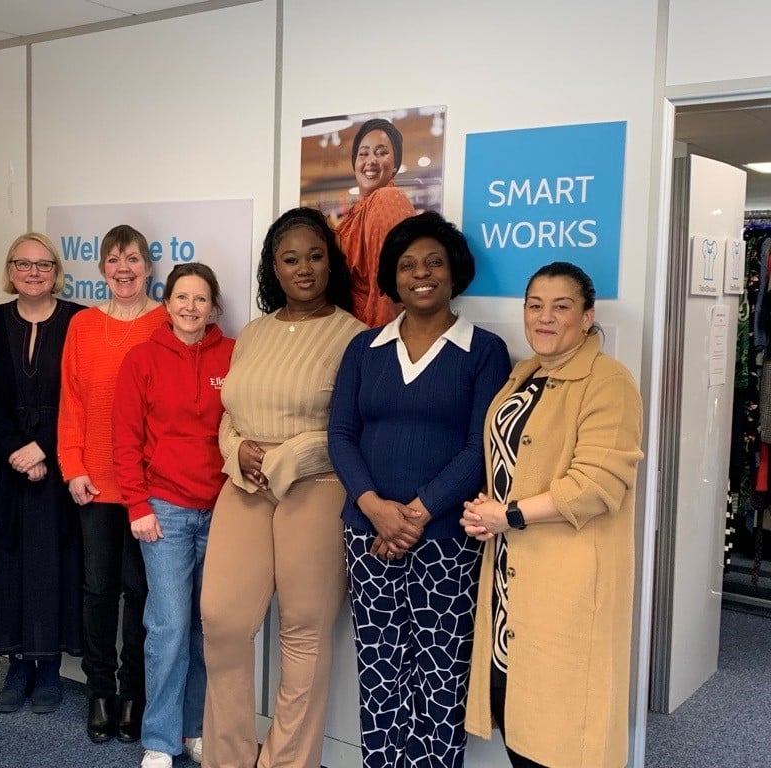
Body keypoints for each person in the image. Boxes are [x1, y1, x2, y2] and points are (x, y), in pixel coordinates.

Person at [328, 212, 511, 768]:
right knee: (379, 671)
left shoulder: (485, 350)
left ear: (455, 272)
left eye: (434, 262)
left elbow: (481, 446)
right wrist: (374, 509)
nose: (421, 274)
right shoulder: (364, 349)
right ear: (393, 277)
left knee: (441, 674)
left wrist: (414, 514)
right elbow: (341, 434)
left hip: (447, 538)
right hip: (368, 535)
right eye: (407, 265)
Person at [460, 262, 644, 768]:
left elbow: (596, 485)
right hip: (510, 575)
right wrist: (485, 508)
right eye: (535, 306)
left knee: (563, 735)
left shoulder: (609, 382)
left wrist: (508, 514)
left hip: (569, 581)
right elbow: (510, 462)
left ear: (587, 317)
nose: (545, 317)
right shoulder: (525, 374)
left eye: (561, 307)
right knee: (517, 718)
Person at [201, 207, 366, 768]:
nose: (304, 269)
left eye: (315, 257)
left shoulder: (354, 337)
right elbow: (231, 410)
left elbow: (352, 426)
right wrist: (235, 450)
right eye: (291, 259)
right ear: (274, 267)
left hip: (317, 485)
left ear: (330, 262)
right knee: (222, 619)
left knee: (304, 633)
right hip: (245, 484)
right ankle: (228, 757)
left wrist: (291, 454)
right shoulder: (254, 333)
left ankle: (287, 761)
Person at [113, 263, 235, 768]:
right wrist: (137, 505)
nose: (190, 307)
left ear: (214, 308)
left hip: (225, 510)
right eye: (181, 297)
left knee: (208, 626)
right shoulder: (141, 359)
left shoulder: (233, 355)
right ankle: (160, 739)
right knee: (168, 627)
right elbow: (125, 440)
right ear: (166, 304)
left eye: (200, 298)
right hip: (164, 510)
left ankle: (193, 729)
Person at [58, 224, 167, 743]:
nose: (124, 269)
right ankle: (99, 691)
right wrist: (72, 466)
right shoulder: (82, 326)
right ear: (102, 268)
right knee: (99, 589)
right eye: (114, 260)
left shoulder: (166, 321)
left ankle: (133, 694)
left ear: (148, 266)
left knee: (140, 593)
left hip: (149, 485)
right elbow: (71, 401)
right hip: (96, 482)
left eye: (133, 259)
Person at [0, 232, 85, 714]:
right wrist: (18, 449)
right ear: (10, 270)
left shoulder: (79, 321)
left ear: (56, 271)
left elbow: (84, 395)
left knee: (56, 561)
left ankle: (49, 667)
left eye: (43, 265)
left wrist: (44, 447)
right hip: (6, 463)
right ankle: (16, 664)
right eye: (23, 263)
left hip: (62, 461)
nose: (33, 272)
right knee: (9, 557)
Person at [336, 118, 417, 327]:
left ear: (395, 164)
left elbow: (386, 294)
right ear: (355, 162)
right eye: (363, 154)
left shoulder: (386, 200)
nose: (371, 160)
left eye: (381, 153)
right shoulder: (355, 213)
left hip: (372, 334)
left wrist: (377, 342)